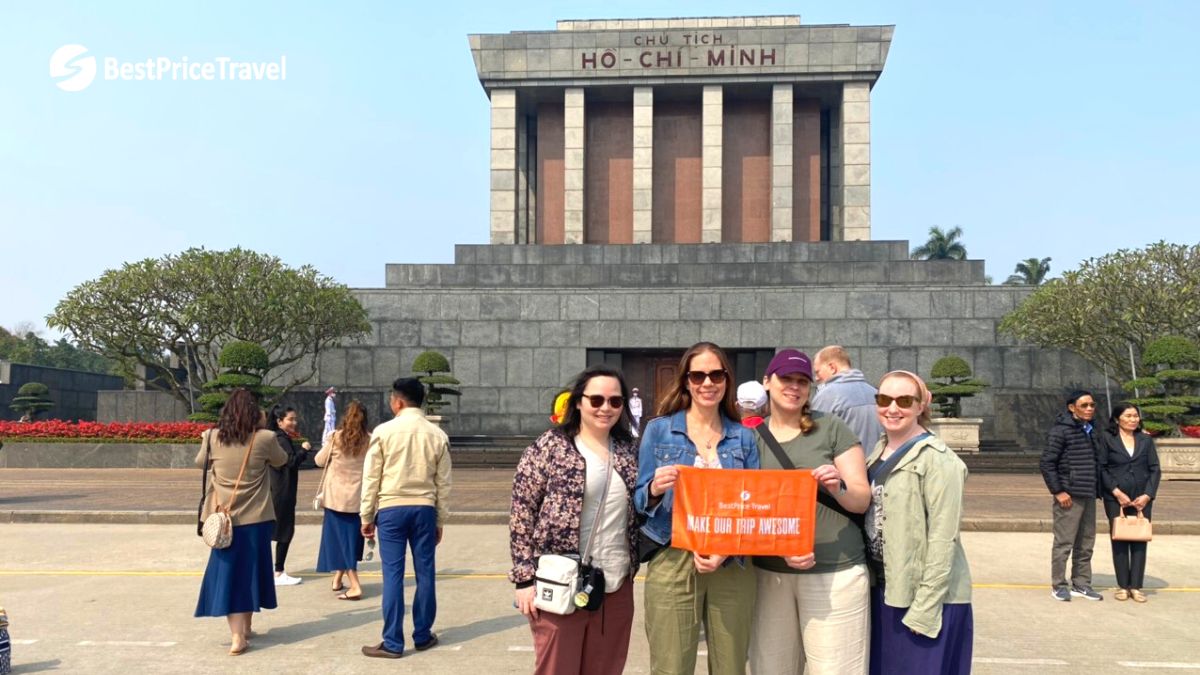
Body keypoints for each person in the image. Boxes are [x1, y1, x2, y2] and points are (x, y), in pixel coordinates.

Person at [634, 341, 760, 675]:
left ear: (727, 380)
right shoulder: (659, 430)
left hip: (730, 563)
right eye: (699, 375)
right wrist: (655, 490)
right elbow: (638, 500)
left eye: (716, 374)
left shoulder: (743, 437)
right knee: (671, 666)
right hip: (674, 555)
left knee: (730, 666)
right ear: (686, 381)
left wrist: (727, 548)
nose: (708, 383)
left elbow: (754, 505)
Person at [510, 365, 641, 674]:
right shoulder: (551, 446)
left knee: (606, 667)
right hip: (561, 581)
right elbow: (521, 512)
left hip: (615, 581)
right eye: (596, 400)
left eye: (614, 401)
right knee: (558, 668)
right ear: (578, 402)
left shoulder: (628, 451)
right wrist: (524, 578)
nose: (605, 408)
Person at [750, 349, 872, 675]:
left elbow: (860, 498)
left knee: (836, 669)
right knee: (770, 669)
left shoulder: (830, 428)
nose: (794, 386)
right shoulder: (749, 435)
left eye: (802, 381)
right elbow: (740, 507)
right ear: (767, 382)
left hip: (835, 571)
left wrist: (837, 487)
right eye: (785, 378)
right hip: (769, 574)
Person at [866, 370, 973, 674]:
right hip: (886, 589)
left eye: (904, 400)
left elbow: (944, 538)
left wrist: (925, 608)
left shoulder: (939, 460)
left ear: (921, 405)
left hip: (924, 600)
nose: (893, 408)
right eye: (885, 399)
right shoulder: (878, 450)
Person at [360, 377, 452, 659]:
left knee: (393, 575)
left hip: (390, 508)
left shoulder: (383, 431)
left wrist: (366, 515)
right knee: (425, 573)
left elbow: (371, 477)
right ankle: (423, 635)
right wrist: (440, 519)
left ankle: (393, 642)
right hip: (424, 508)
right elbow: (444, 483)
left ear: (397, 402)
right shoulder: (437, 434)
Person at [194, 388, 288, 656]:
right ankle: (243, 631)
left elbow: (200, 462)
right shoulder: (265, 438)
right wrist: (261, 425)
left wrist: (205, 439)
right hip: (256, 518)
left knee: (230, 575)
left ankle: (240, 634)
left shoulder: (212, 437)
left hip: (223, 520)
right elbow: (281, 461)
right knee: (250, 573)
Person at [1039, 390, 1103, 601]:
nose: (1089, 409)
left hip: (1088, 493)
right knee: (1064, 543)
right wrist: (1058, 491)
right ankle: (1059, 584)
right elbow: (1047, 463)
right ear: (1071, 407)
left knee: (1086, 542)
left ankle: (1082, 583)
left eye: (1092, 405)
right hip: (1069, 495)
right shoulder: (1061, 431)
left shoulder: (1091, 430)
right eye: (1084, 405)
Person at [1098, 403, 1161, 603]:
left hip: (1141, 497)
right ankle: (1123, 586)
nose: (1133, 419)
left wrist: (1148, 495)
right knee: (1120, 538)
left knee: (1139, 539)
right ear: (1117, 419)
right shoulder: (1107, 439)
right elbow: (1102, 468)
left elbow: (1155, 469)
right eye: (1128, 416)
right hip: (1116, 497)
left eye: (1136, 416)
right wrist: (1116, 492)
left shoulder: (1145, 440)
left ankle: (1136, 586)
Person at [315, 398, 370, 600]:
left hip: (336, 499)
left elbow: (319, 461)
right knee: (350, 542)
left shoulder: (336, 437)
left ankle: (355, 585)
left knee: (339, 543)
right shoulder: (370, 439)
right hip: (358, 500)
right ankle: (338, 578)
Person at [811, 345, 885, 451]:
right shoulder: (875, 393)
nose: (816, 378)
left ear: (832, 368)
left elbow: (815, 441)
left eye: (817, 372)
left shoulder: (826, 396)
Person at [268, 406, 311, 586]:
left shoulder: (277, 438)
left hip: (277, 490)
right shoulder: (281, 439)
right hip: (282, 492)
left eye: (295, 419)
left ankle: (271, 570)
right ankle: (278, 572)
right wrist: (304, 450)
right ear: (279, 421)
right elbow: (290, 461)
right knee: (285, 531)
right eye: (290, 419)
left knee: (274, 531)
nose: (294, 422)